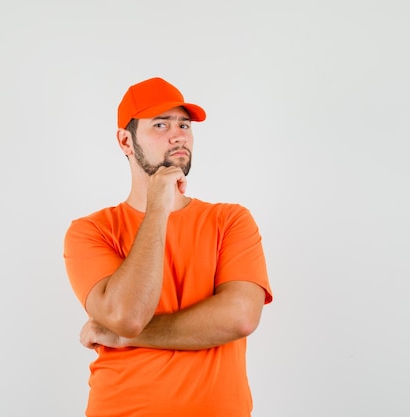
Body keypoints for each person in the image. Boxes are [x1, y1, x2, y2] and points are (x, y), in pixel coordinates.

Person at [63, 77, 273, 417]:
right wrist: (158, 206)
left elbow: (240, 317)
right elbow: (127, 316)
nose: (178, 135)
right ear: (125, 141)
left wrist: (126, 338)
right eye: (160, 124)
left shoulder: (231, 220)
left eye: (184, 125)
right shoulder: (91, 231)